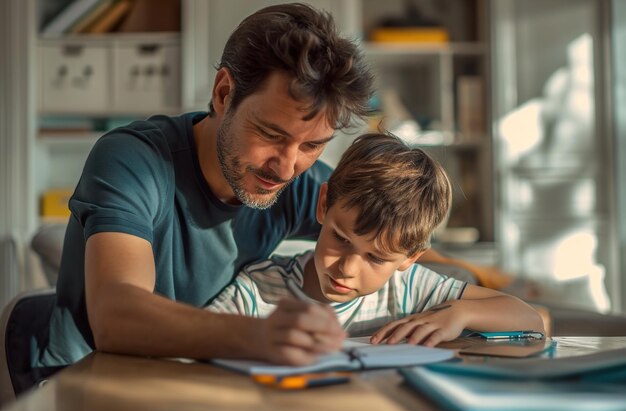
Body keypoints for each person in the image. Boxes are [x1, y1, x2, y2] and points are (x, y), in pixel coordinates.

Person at [35, 2, 517, 373]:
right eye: (271, 134)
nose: (287, 167)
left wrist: (477, 294)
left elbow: (391, 245)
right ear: (224, 93)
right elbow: (117, 316)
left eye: (313, 146)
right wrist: (253, 335)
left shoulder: (300, 184)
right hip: (82, 377)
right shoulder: (135, 160)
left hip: (197, 379)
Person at [207, 133, 545, 346]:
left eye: (376, 258)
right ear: (323, 205)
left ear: (410, 257)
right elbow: (199, 343)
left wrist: (458, 314)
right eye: (342, 238)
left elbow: (528, 318)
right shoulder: (258, 289)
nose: (347, 269)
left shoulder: (412, 288)